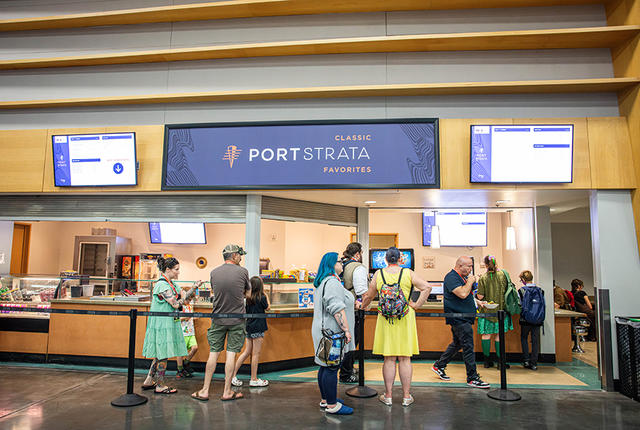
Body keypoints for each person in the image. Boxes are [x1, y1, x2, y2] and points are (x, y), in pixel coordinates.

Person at [360, 247, 432, 406]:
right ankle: (406, 397)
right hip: (405, 317)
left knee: (389, 359)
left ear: (386, 259)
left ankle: (388, 396)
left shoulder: (379, 274)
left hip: (386, 319)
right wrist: (417, 304)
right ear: (400, 259)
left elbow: (370, 295)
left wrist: (363, 306)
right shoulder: (408, 273)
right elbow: (427, 287)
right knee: (405, 359)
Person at [192, 244, 251, 402]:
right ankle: (227, 391)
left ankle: (205, 390)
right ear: (233, 256)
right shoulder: (243, 271)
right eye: (239, 255)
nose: (240, 257)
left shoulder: (214, 272)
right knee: (231, 354)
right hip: (237, 319)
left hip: (218, 318)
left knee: (214, 354)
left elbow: (215, 291)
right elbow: (249, 293)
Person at [141, 257, 202, 394]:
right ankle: (160, 385)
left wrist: (194, 287)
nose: (178, 272)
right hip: (162, 323)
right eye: (176, 269)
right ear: (167, 269)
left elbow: (185, 297)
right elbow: (175, 304)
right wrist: (184, 298)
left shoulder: (172, 284)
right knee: (163, 354)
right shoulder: (163, 285)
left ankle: (149, 380)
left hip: (167, 321)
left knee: (159, 353)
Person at [432, 256, 490, 389]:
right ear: (459, 265)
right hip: (459, 318)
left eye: (471, 266)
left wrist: (478, 302)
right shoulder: (451, 277)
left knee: (458, 343)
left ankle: (439, 365)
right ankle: (472, 377)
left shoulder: (463, 278)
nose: (470, 269)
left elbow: (467, 296)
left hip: (465, 317)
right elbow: (462, 293)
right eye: (468, 266)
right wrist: (470, 281)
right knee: (468, 346)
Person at [312, 252, 355, 415]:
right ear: (331, 264)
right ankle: (332, 405)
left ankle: (326, 399)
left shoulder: (324, 281)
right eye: (340, 261)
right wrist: (346, 330)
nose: (342, 264)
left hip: (323, 331)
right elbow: (336, 308)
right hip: (332, 333)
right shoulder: (332, 283)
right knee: (332, 367)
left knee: (324, 366)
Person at [231, 276, 271, 387]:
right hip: (258, 327)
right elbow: (268, 308)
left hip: (248, 326)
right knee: (255, 354)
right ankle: (253, 379)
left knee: (246, 352)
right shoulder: (262, 297)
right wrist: (266, 295)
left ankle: (232, 375)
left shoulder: (247, 298)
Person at [476, 255, 513, 369]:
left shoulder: (483, 277)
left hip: (487, 311)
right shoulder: (503, 275)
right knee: (499, 335)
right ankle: (500, 362)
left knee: (486, 335)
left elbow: (480, 296)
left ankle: (487, 361)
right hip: (501, 310)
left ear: (485, 265)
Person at [338, 242, 368, 384]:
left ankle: (347, 368)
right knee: (352, 341)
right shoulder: (358, 268)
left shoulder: (341, 265)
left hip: (341, 307)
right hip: (354, 309)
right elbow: (361, 290)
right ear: (357, 254)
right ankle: (346, 374)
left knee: (345, 340)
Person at [517, 270, 544, 371]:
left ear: (523, 279)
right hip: (537, 318)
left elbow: (519, 304)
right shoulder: (540, 290)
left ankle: (526, 360)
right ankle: (534, 363)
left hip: (525, 319)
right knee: (535, 340)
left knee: (524, 338)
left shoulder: (521, 291)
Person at [176, 298, 198, 379]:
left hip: (191, 332)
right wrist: (184, 317)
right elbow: (175, 319)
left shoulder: (190, 306)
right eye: (188, 299)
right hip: (182, 333)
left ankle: (186, 362)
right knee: (181, 352)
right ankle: (180, 370)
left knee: (195, 348)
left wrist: (193, 316)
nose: (189, 301)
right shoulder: (178, 306)